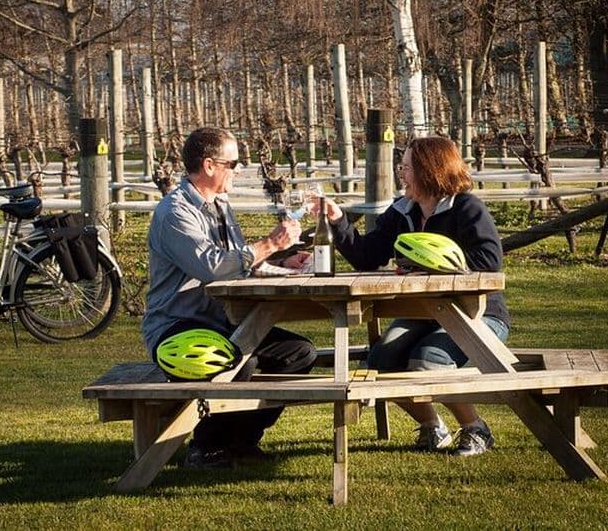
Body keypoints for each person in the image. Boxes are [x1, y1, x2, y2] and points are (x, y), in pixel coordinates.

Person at [313, 136, 510, 456]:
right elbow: (367, 257)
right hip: (424, 314)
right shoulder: (401, 211)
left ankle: (476, 429)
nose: (401, 173)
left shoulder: (466, 208)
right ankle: (433, 426)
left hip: (479, 315)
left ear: (430, 170)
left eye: (406, 167)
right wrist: (338, 220)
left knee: (429, 359)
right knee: (380, 361)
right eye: (401, 166)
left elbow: (488, 262)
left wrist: (429, 265)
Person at [142, 127, 317, 469]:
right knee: (238, 360)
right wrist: (270, 244)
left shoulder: (220, 205)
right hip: (176, 327)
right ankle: (205, 447)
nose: (239, 169)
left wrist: (281, 260)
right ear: (209, 165)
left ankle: (242, 440)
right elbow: (212, 267)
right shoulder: (175, 213)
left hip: (220, 322)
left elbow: (237, 260)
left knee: (299, 354)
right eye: (233, 163)